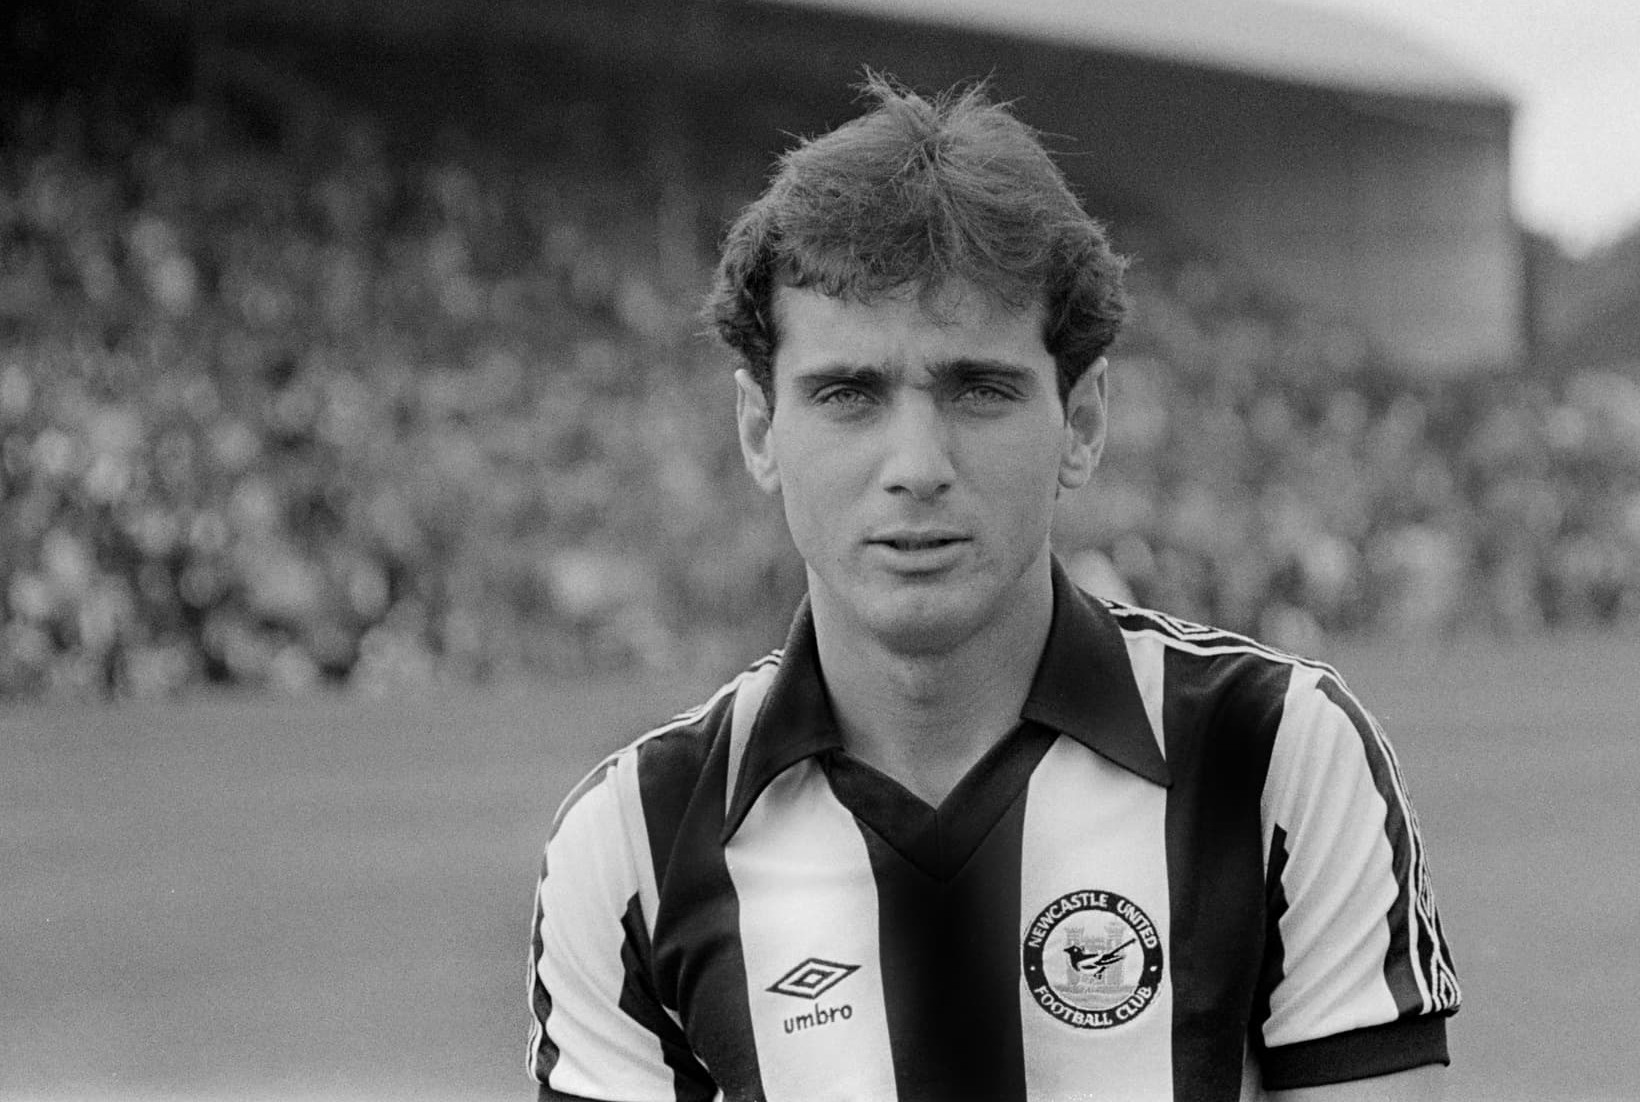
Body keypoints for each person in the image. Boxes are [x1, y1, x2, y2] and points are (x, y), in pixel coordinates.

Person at [526, 75, 1460, 1102]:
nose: (916, 462)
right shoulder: (632, 846)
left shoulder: (1277, 755)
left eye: (978, 388)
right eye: (849, 394)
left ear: (1085, 421)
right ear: (759, 429)